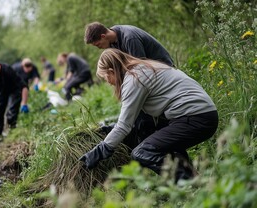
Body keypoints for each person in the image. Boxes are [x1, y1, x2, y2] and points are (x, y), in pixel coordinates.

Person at [80, 49, 218, 182]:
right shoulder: (143, 68)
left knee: (142, 152)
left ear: (111, 71)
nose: (108, 83)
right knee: (155, 140)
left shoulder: (134, 79)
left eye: (106, 78)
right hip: (201, 114)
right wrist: (111, 128)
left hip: (195, 117)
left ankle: (192, 184)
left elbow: (124, 126)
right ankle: (191, 178)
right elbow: (132, 119)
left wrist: (99, 151)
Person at [84, 21, 174, 148]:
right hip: (148, 77)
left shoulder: (130, 38)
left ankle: (146, 146)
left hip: (163, 74)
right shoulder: (113, 43)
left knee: (141, 116)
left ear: (103, 36)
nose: (99, 48)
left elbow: (140, 73)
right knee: (134, 112)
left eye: (98, 45)